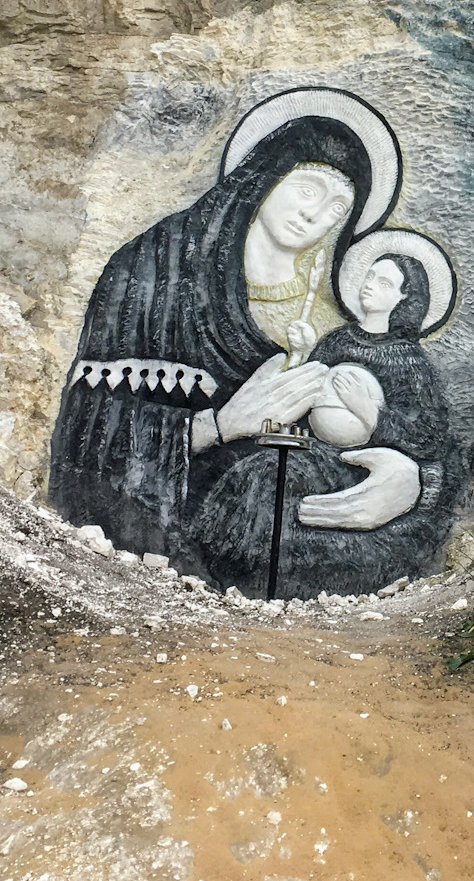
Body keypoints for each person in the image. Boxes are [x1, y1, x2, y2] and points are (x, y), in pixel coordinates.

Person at [47, 112, 377, 568]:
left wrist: (407, 476)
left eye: (337, 209)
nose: (314, 216)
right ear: (265, 177)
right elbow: (84, 429)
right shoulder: (152, 268)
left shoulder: (337, 318)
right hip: (182, 539)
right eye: (307, 191)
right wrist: (220, 425)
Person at [191, 252, 450, 597]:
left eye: (384, 282)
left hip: (356, 464)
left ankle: (291, 582)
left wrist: (370, 414)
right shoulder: (337, 341)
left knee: (272, 482)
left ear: (405, 297)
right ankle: (235, 571)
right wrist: (299, 355)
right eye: (369, 276)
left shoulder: (409, 360)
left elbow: (428, 434)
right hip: (313, 449)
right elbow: (300, 393)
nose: (370, 286)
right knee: (251, 473)